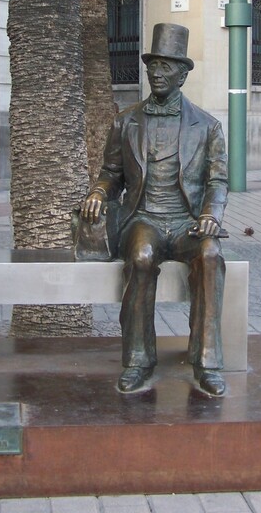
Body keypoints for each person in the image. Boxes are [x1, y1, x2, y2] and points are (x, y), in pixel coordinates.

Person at [81, 23, 228, 395]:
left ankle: (207, 361)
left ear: (183, 73)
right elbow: (111, 173)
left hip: (187, 222)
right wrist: (98, 192)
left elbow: (217, 181)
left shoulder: (208, 126)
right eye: (153, 67)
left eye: (166, 67)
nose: (157, 74)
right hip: (143, 218)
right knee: (142, 257)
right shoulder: (125, 121)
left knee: (210, 256)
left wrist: (210, 215)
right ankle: (138, 359)